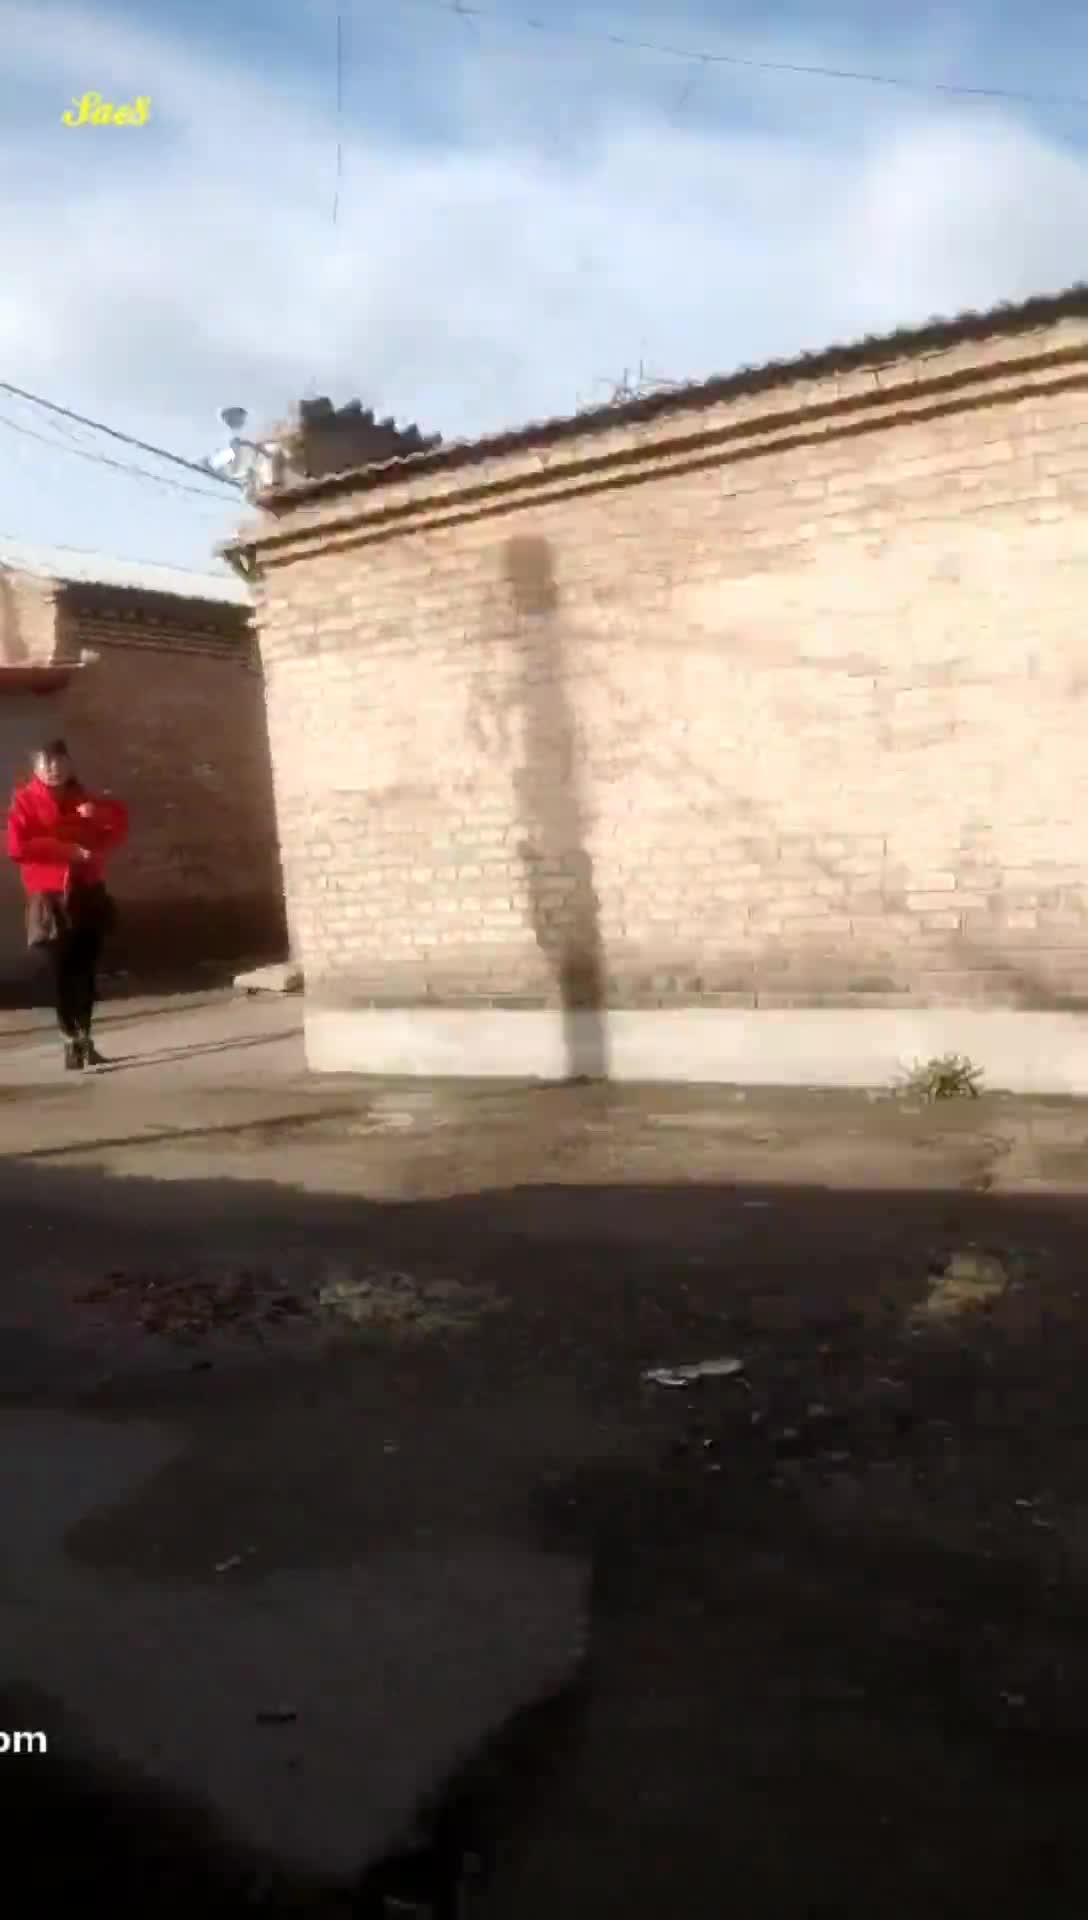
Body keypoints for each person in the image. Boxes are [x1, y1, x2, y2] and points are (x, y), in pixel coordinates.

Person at [5, 738, 128, 1070]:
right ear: (35, 768)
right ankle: (69, 1039)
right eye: (46, 763)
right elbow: (16, 847)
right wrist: (67, 851)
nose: (53, 769)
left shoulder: (83, 797)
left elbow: (117, 826)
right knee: (61, 971)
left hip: (87, 891)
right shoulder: (24, 803)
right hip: (51, 898)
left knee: (85, 970)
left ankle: (86, 1038)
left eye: (59, 761)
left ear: (69, 764)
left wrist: (97, 817)